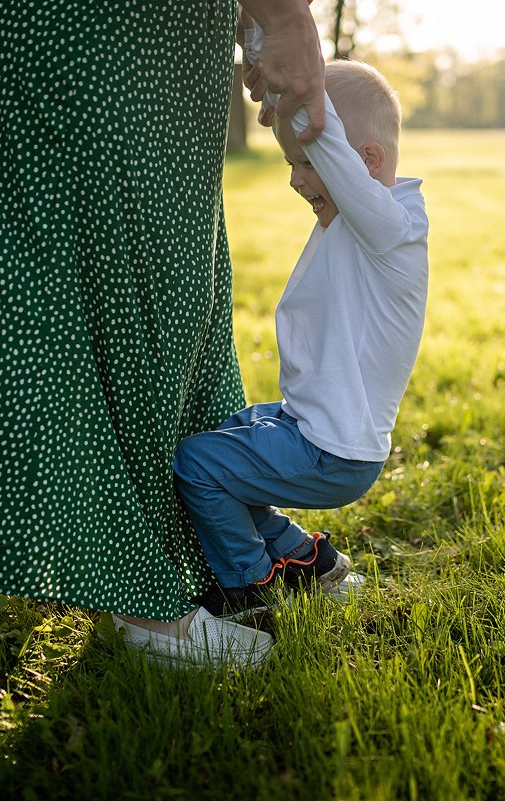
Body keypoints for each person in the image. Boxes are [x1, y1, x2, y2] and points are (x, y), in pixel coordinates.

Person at [0, 0, 326, 670]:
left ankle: (211, 535)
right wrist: (281, 14)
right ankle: (133, 585)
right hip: (82, 20)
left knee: (170, 255)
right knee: (74, 237)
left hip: (171, 24)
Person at [173, 57, 429, 616]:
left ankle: (249, 589)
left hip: (331, 451)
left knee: (197, 464)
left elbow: (334, 145)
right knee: (229, 438)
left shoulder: (391, 228)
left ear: (365, 162)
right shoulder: (368, 224)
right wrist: (264, 53)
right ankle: (307, 560)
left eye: (308, 162)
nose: (295, 178)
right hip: (309, 425)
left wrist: (298, 71)